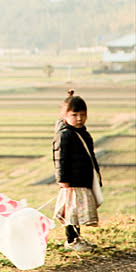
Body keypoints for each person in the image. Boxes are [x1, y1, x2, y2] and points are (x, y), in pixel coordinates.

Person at [52, 89, 102, 252]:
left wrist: (96, 177)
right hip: (72, 182)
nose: (79, 118)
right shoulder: (65, 135)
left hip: (82, 179)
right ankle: (72, 241)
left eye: (82, 114)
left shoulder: (81, 132)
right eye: (74, 115)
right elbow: (61, 159)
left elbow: (90, 157)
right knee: (71, 213)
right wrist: (63, 180)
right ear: (64, 115)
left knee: (77, 212)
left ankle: (76, 239)